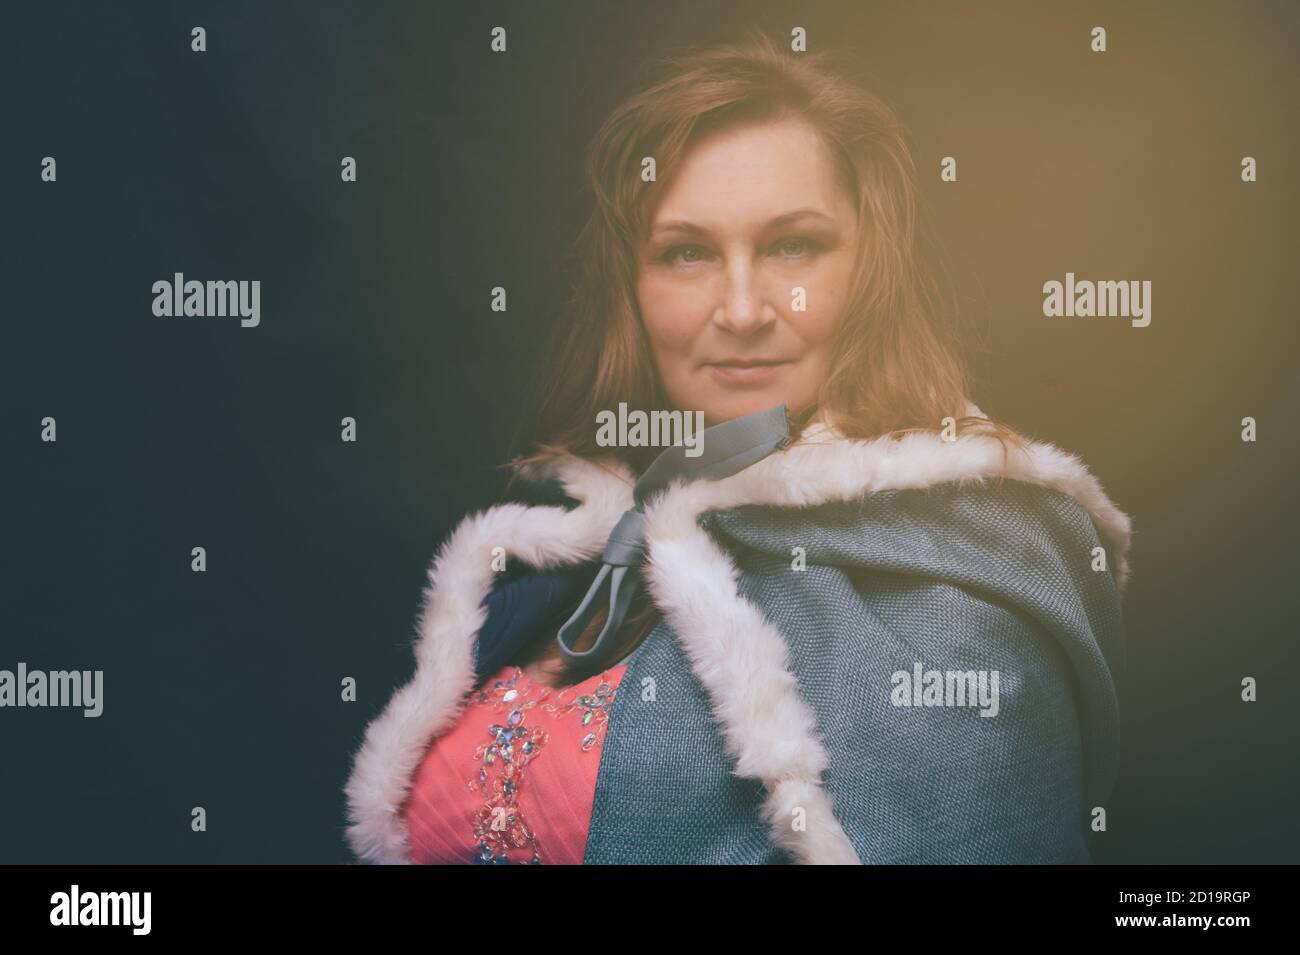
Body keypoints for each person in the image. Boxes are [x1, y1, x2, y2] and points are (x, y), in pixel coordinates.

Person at [343, 31, 1132, 865]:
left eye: (793, 245)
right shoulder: (582, 558)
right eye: (688, 253)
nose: (745, 307)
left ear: (870, 272)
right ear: (632, 293)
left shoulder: (966, 581)